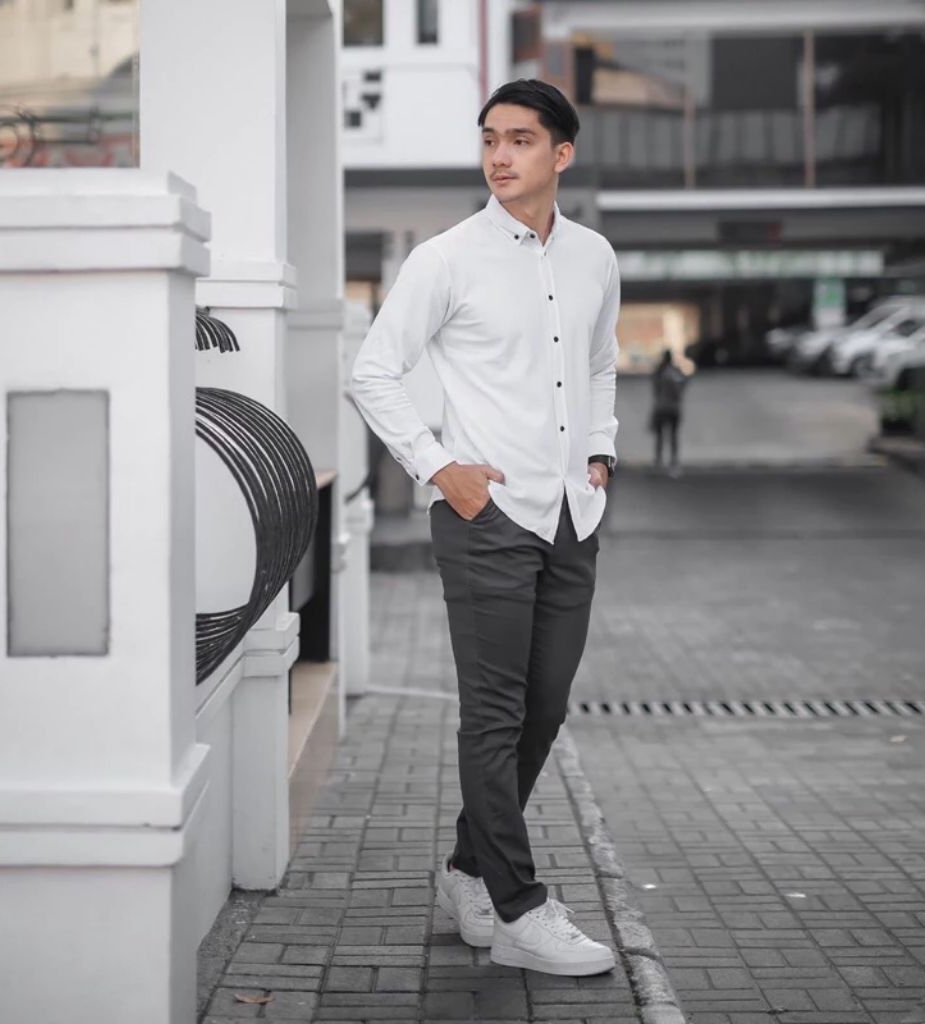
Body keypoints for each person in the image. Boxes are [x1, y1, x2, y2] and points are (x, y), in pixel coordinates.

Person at [349, 79, 619, 977]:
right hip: (486, 517)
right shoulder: (446, 258)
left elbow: (600, 362)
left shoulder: (594, 258)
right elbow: (373, 371)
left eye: (521, 140)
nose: (500, 156)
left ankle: (468, 871)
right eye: (490, 139)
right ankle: (516, 907)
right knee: (494, 715)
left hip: (571, 515)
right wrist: (439, 467)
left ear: (561, 154)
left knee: (544, 707)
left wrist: (602, 451)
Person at [650, 348, 687, 472]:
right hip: (672, 408)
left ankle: (659, 461)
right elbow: (681, 387)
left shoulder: (660, 372)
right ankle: (673, 461)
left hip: (662, 407)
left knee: (661, 437)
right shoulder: (674, 372)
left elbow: (656, 389)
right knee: (672, 436)